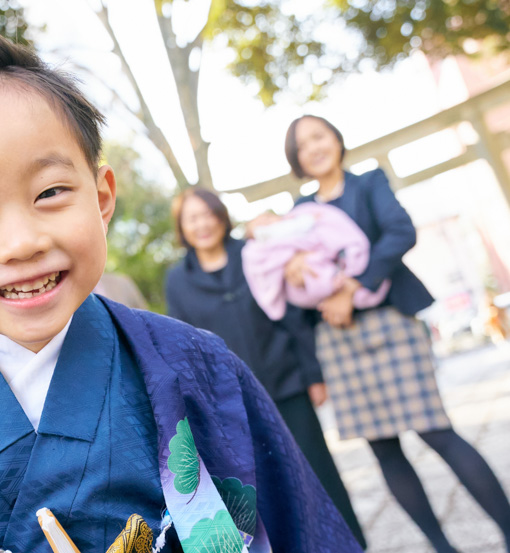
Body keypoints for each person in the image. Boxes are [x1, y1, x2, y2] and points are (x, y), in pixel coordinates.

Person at [0, 18, 364, 553]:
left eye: (50, 191)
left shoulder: (199, 367)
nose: (22, 241)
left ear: (101, 198)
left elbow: (304, 528)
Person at [286, 114, 510, 553]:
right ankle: (441, 547)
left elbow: (400, 232)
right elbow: (282, 270)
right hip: (337, 339)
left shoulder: (370, 184)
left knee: (436, 431)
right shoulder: (298, 214)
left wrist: (354, 285)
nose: (314, 147)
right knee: (383, 449)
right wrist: (292, 270)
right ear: (295, 159)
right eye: (303, 143)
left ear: (337, 138)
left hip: (391, 322)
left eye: (320, 136)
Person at [165, 188, 367, 549]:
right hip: (226, 402)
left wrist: (313, 375)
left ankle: (349, 542)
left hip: (286, 381)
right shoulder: (177, 280)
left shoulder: (254, 254)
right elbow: (182, 346)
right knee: (263, 487)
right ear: (182, 227)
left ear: (221, 216)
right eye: (192, 218)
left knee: (317, 471)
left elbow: (291, 316)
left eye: (208, 214)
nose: (203, 224)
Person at [241, 203, 390, 321]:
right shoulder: (260, 245)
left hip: (327, 263)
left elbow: (307, 228)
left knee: (315, 264)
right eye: (258, 226)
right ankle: (329, 284)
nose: (265, 224)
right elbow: (263, 264)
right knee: (311, 271)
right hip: (307, 281)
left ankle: (337, 284)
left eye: (267, 218)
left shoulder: (295, 219)